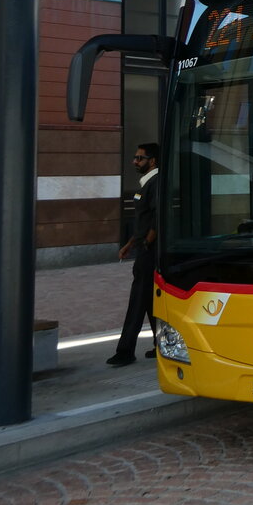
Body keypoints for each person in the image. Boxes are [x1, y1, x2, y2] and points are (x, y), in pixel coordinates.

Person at [106, 142, 160, 367]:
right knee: (148, 301)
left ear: (152, 161)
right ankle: (163, 345)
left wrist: (146, 244)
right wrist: (131, 243)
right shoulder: (146, 184)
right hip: (143, 249)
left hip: (149, 253)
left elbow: (158, 218)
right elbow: (143, 221)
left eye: (139, 158)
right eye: (135, 157)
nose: (135, 161)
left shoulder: (155, 183)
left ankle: (125, 350)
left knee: (138, 300)